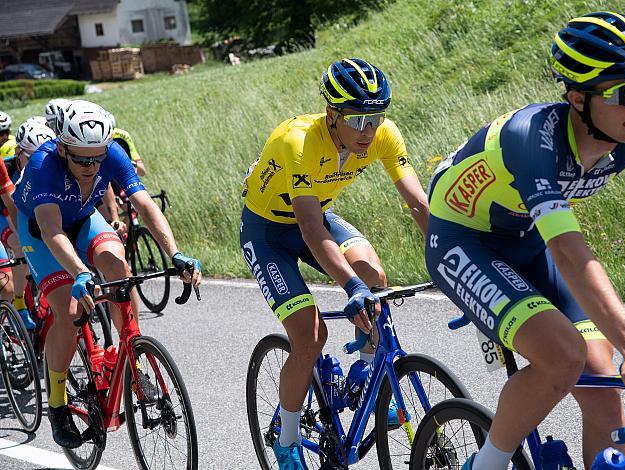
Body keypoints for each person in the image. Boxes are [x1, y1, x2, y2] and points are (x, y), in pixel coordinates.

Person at [425, 12, 625, 469]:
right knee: (564, 354)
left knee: (603, 382)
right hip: (463, 241)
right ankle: (487, 463)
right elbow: (569, 250)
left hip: (526, 238)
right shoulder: (531, 136)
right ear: (578, 99)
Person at [239, 58, 429, 468]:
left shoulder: (383, 135)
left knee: (373, 275)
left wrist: (450, 259)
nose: (369, 131)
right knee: (310, 337)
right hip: (268, 232)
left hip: (318, 218)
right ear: (332, 114)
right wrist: (349, 287)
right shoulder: (298, 141)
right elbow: (309, 228)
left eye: (376, 118)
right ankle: (286, 440)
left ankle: (363, 376)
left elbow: (418, 203)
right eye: (358, 119)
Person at [14, 100, 202, 449]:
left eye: (97, 157)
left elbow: (145, 204)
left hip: (83, 218)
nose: (91, 165)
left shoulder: (110, 153)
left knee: (119, 268)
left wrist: (174, 253)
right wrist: (82, 272)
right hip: (40, 231)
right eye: (82, 158)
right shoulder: (44, 165)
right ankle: (57, 404)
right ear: (62, 147)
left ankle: (133, 356)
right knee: (68, 313)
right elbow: (52, 229)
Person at [0, 120, 57, 329]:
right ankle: (19, 302)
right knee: (17, 244)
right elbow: (10, 206)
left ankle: (26, 298)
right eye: (30, 156)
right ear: (18, 153)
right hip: (2, 214)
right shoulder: (9, 164)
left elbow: (14, 206)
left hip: (11, 212)